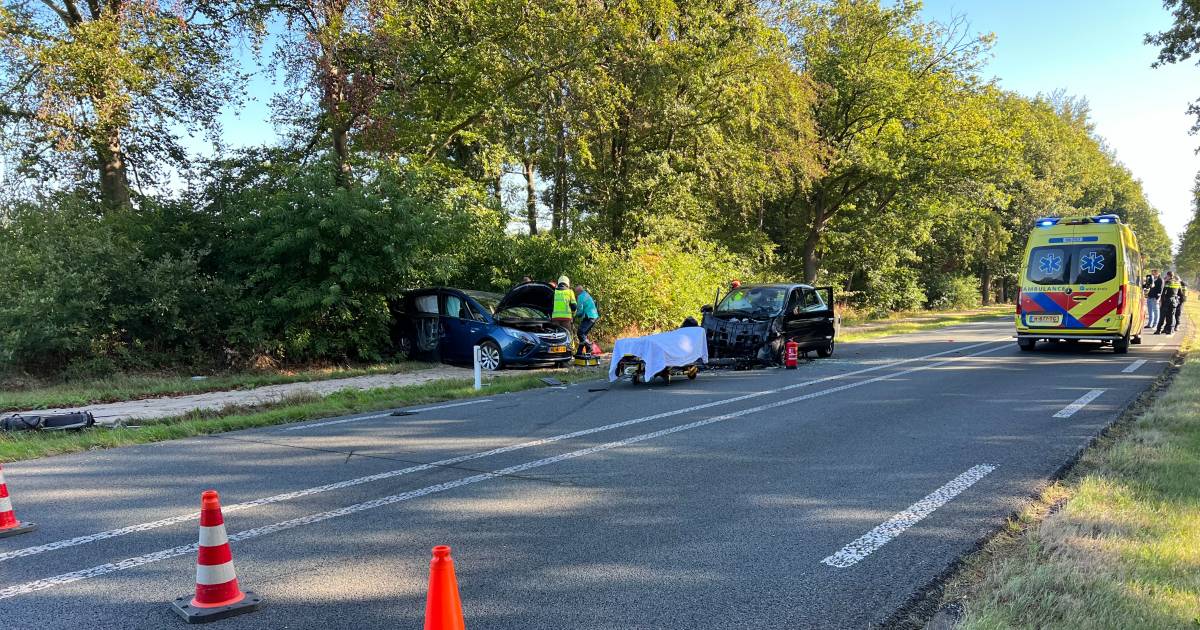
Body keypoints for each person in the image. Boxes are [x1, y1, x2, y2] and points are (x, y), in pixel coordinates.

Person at [573, 284, 600, 356]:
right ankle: (579, 352)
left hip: (589, 317)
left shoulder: (580, 297)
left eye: (576, 292)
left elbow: (580, 311)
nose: (576, 294)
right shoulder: (586, 294)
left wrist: (574, 316)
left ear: (578, 291)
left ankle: (589, 347)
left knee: (580, 333)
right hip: (594, 316)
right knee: (583, 335)